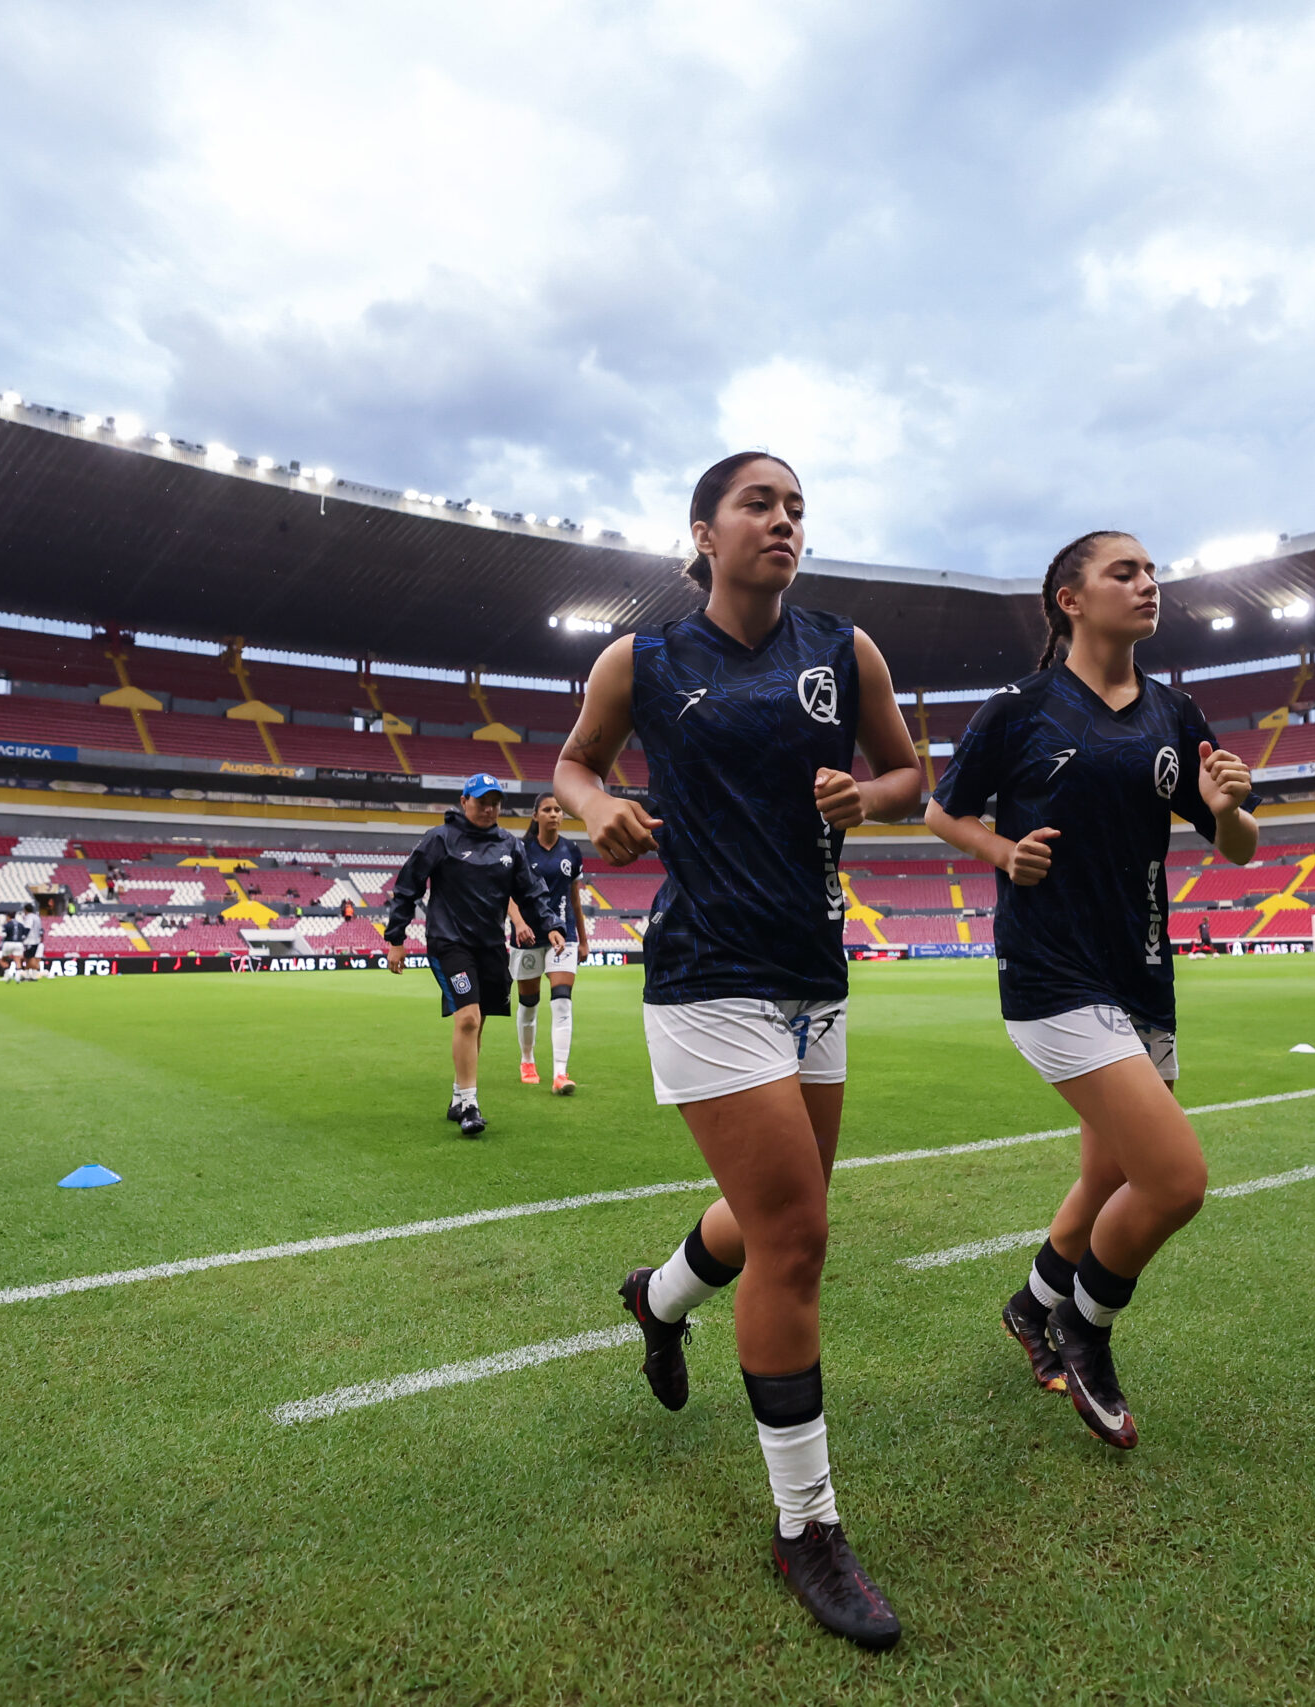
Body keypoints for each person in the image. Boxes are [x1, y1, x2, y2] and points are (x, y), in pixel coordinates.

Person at [555, 451, 922, 1649]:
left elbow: (914, 779)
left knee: (782, 1211)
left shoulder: (843, 650)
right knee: (797, 1237)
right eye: (758, 503)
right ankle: (804, 1525)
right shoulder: (645, 660)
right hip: (706, 973)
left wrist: (872, 800)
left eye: (796, 506)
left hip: (817, 975)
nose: (784, 521)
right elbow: (572, 763)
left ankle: (656, 1301)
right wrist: (595, 807)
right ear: (701, 534)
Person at [925, 530, 1259, 1455]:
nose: (1149, 584)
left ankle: (1031, 1306)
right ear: (1070, 599)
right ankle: (1086, 1327)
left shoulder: (1175, 712)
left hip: (1142, 971)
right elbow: (939, 805)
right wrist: (1001, 852)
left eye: (1153, 571)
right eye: (1126, 571)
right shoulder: (1020, 710)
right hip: (1052, 975)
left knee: (1110, 1173)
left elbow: (1239, 850)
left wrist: (1229, 806)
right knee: (1175, 1179)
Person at [382, 774, 563, 1138]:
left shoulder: (510, 845)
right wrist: (396, 938)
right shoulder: (441, 839)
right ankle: (469, 1103)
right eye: (482, 801)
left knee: (477, 1021)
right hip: (449, 943)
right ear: (464, 801)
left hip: (491, 946)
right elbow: (407, 887)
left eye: (495, 802)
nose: (489, 808)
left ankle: (457, 1094)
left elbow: (531, 891)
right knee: (467, 1017)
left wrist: (551, 924)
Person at [508, 791, 588, 1094]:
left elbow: (575, 899)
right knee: (529, 1004)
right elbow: (508, 894)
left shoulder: (572, 850)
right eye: (548, 809)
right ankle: (527, 1060)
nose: (555, 814)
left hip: (563, 936)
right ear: (535, 815)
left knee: (563, 1002)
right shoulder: (520, 849)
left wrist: (582, 938)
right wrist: (519, 923)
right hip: (527, 935)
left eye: (558, 810)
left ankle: (560, 1074)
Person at [0, 903, 42, 981]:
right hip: (36, 940)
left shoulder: (29, 917)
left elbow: (27, 929)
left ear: (25, 910)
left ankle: (31, 975)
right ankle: (30, 974)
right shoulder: (37, 917)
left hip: (30, 940)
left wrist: (22, 937)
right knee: (28, 957)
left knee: (29, 958)